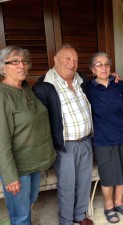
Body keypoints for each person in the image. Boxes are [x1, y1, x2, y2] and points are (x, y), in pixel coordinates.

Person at [32, 44, 94, 225]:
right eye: (67, 59)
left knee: (84, 181)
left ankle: (80, 215)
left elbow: (98, 81)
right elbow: (40, 123)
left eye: (75, 60)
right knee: (67, 186)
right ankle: (66, 220)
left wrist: (111, 75)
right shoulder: (44, 86)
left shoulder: (80, 78)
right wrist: (52, 146)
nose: (72, 63)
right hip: (65, 145)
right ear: (56, 59)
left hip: (86, 140)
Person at [0, 46, 56, 225]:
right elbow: (1, 140)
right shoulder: (2, 95)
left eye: (24, 61)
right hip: (18, 168)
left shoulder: (26, 88)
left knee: (27, 205)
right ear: (3, 67)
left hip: (34, 163)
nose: (21, 65)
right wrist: (10, 176)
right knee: (21, 215)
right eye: (14, 61)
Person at [86, 52, 123, 224]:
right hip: (102, 138)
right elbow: (70, 75)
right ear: (92, 69)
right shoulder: (87, 87)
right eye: (98, 65)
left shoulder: (119, 84)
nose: (104, 67)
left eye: (107, 64)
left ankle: (118, 201)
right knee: (107, 175)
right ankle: (108, 205)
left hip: (122, 135)